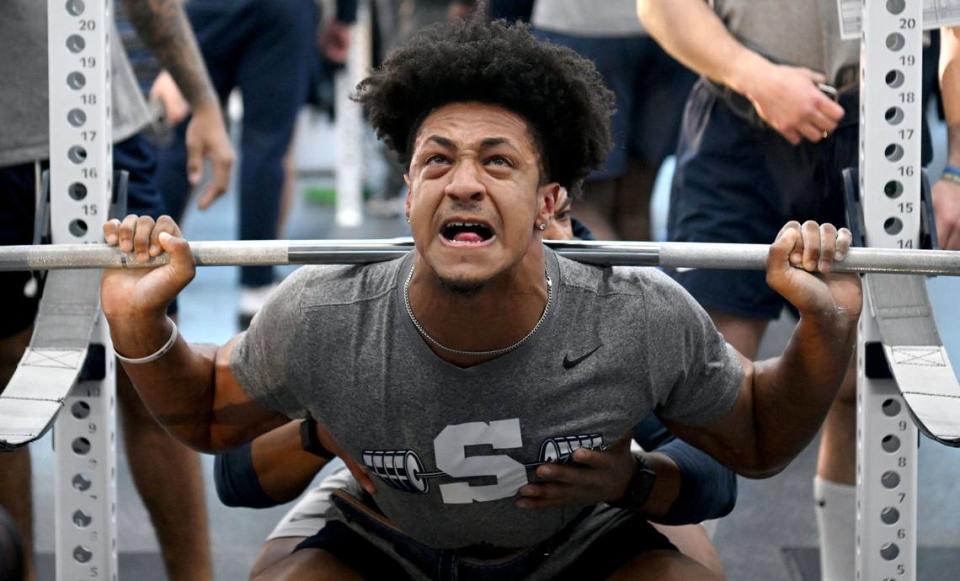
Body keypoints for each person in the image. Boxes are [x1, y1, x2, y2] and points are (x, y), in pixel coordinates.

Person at [100, 17, 860, 580]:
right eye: (437, 161)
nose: (463, 181)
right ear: (407, 196)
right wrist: (142, 323)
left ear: (549, 201)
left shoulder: (630, 315)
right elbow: (206, 418)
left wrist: (824, 327)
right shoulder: (328, 316)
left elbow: (754, 441)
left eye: (498, 162)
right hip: (386, 531)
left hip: (580, 534)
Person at [211, 192, 734, 579]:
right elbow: (236, 471)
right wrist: (325, 434)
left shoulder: (610, 309)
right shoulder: (355, 307)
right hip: (394, 521)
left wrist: (629, 480)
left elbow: (717, 474)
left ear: (549, 206)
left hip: (573, 526)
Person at [636, 2, 960, 578]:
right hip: (740, 122)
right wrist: (755, 76)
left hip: (883, 127)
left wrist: (959, 169)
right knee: (702, 384)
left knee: (865, 385)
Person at [0, 2, 233, 580]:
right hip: (8, 154)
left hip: (106, 133)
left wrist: (203, 101)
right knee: (5, 395)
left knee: (150, 366)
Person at [151, 0, 356, 327]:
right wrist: (345, 17)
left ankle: (149, 273)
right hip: (282, 10)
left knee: (181, 140)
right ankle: (256, 288)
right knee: (267, 147)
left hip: (209, 9)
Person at [531, 0, 695, 240]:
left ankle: (617, 278)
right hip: (676, 30)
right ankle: (641, 277)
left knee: (581, 199)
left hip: (582, 25)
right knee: (637, 202)